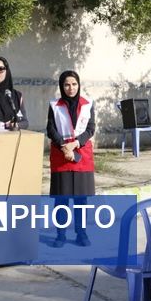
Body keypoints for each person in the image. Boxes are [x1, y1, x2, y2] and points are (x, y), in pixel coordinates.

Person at [47, 70, 95, 247]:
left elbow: (91, 129)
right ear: (62, 86)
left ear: (79, 85)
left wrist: (75, 144)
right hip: (61, 155)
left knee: (81, 199)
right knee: (62, 199)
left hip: (81, 154)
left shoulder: (88, 104)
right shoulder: (54, 105)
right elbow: (50, 129)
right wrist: (64, 146)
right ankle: (60, 235)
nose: (71, 88)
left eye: (74, 84)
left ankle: (81, 234)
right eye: (67, 84)